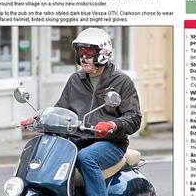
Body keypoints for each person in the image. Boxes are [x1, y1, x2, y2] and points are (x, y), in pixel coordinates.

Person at [21, 28, 142, 196]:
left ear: (104, 53)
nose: (83, 56)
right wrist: (37, 118)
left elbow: (134, 117)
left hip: (111, 143)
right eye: (80, 51)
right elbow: (60, 109)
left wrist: (112, 124)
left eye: (89, 51)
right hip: (76, 141)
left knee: (86, 157)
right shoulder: (75, 80)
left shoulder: (122, 81)